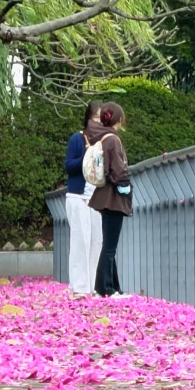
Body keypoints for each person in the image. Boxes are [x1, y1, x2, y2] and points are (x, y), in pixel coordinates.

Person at [87, 103, 132, 297]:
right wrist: (126, 185)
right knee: (110, 246)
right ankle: (105, 288)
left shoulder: (101, 138)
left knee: (108, 244)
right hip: (114, 197)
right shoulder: (113, 140)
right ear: (119, 120)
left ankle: (112, 287)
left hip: (103, 196)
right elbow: (118, 169)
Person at [63, 101, 103, 296]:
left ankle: (91, 285)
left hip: (95, 198)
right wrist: (86, 156)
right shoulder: (77, 139)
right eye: (95, 117)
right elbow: (69, 166)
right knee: (81, 240)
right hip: (78, 196)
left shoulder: (103, 142)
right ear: (88, 118)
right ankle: (79, 286)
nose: (98, 122)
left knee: (96, 241)